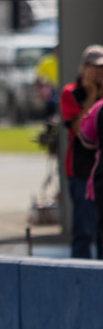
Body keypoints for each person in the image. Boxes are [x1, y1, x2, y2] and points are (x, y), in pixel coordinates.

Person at [60, 44, 103, 259]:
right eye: (94, 68)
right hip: (81, 170)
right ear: (84, 69)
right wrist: (92, 95)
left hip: (99, 169)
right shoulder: (71, 92)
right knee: (83, 230)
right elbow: (79, 131)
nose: (98, 72)